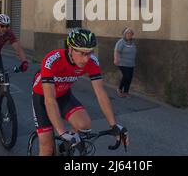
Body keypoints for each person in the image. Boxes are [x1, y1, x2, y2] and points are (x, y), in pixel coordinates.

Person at [31, 28, 129, 156]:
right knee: (47, 147)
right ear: (70, 49)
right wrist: (62, 132)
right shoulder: (52, 60)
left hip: (64, 95)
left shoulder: (92, 61)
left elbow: (100, 92)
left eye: (90, 52)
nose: (87, 58)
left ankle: (64, 147)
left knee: (84, 124)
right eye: (82, 53)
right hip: (42, 97)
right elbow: (50, 99)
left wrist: (114, 125)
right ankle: (60, 142)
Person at [114, 27, 137, 98]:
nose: (129, 35)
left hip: (131, 63)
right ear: (124, 34)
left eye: (131, 34)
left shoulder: (132, 42)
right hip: (122, 63)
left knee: (129, 78)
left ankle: (126, 92)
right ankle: (119, 89)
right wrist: (116, 59)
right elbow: (117, 51)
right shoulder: (121, 42)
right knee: (126, 76)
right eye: (128, 33)